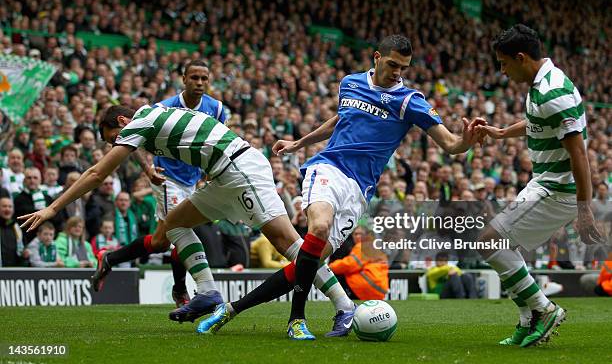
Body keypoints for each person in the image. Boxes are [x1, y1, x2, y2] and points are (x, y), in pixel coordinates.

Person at [198, 34, 484, 340]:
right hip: (329, 169)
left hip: (359, 190)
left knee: (309, 263)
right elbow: (340, 120)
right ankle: (297, 319)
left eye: (403, 67)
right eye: (392, 64)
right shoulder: (349, 83)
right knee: (317, 229)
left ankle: (230, 310)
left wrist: (465, 141)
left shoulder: (409, 102)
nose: (397, 72)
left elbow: (451, 143)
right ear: (376, 57)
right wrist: (300, 142)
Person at [19, 101, 354, 334]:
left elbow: (95, 174)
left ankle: (343, 305)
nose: (119, 145)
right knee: (172, 225)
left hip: (239, 170)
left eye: (115, 139)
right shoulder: (157, 113)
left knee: (287, 243)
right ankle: (207, 292)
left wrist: (52, 208)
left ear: (122, 123)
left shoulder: (140, 122)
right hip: (222, 176)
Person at [475, 24, 603, 347]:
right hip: (542, 184)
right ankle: (528, 318)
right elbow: (537, 123)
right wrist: (502, 133)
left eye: (504, 63)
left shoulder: (553, 92)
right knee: (500, 247)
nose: (502, 71)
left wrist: (584, 208)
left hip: (557, 191)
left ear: (521, 57)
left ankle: (544, 310)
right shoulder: (540, 84)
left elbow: (579, 153)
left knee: (490, 242)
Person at [329, 225, 389, 300]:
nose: (357, 236)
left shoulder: (364, 246)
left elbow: (349, 264)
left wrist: (330, 267)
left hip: (367, 286)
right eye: (355, 234)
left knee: (336, 277)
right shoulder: (374, 246)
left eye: (360, 234)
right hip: (379, 289)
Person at [0, 197, 26, 266]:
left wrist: (24, 255)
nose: (7, 209)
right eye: (4, 206)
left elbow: (21, 251)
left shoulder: (17, 227)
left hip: (13, 272)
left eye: (10, 207)